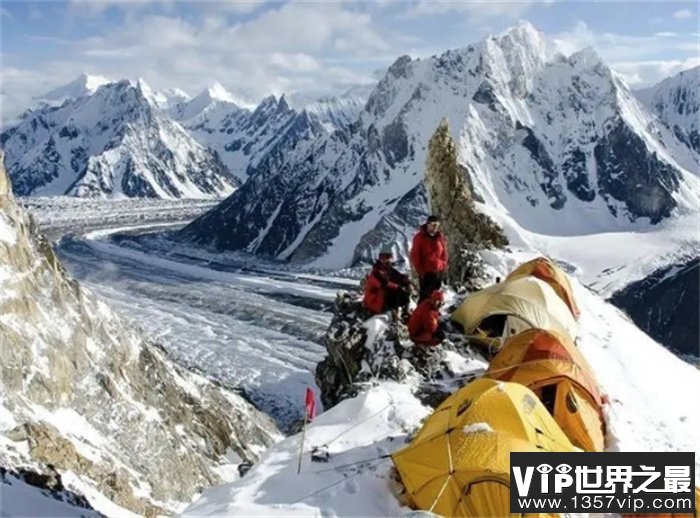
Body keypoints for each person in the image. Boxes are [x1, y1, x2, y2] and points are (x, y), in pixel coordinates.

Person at [363, 247, 411, 319]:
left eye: (388, 258)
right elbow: (383, 284)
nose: (387, 261)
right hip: (374, 301)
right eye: (384, 258)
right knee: (396, 291)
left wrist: (406, 281)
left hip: (382, 297)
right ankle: (393, 314)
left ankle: (404, 313)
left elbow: (399, 276)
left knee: (402, 291)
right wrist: (398, 286)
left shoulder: (388, 270)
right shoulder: (375, 272)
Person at [410, 215, 448, 301]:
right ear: (427, 224)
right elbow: (415, 256)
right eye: (433, 224)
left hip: (438, 272)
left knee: (435, 296)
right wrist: (421, 272)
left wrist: (444, 266)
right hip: (426, 273)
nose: (435, 227)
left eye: (437, 225)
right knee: (425, 297)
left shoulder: (440, 237)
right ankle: (421, 312)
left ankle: (433, 313)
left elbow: (444, 253)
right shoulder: (419, 237)